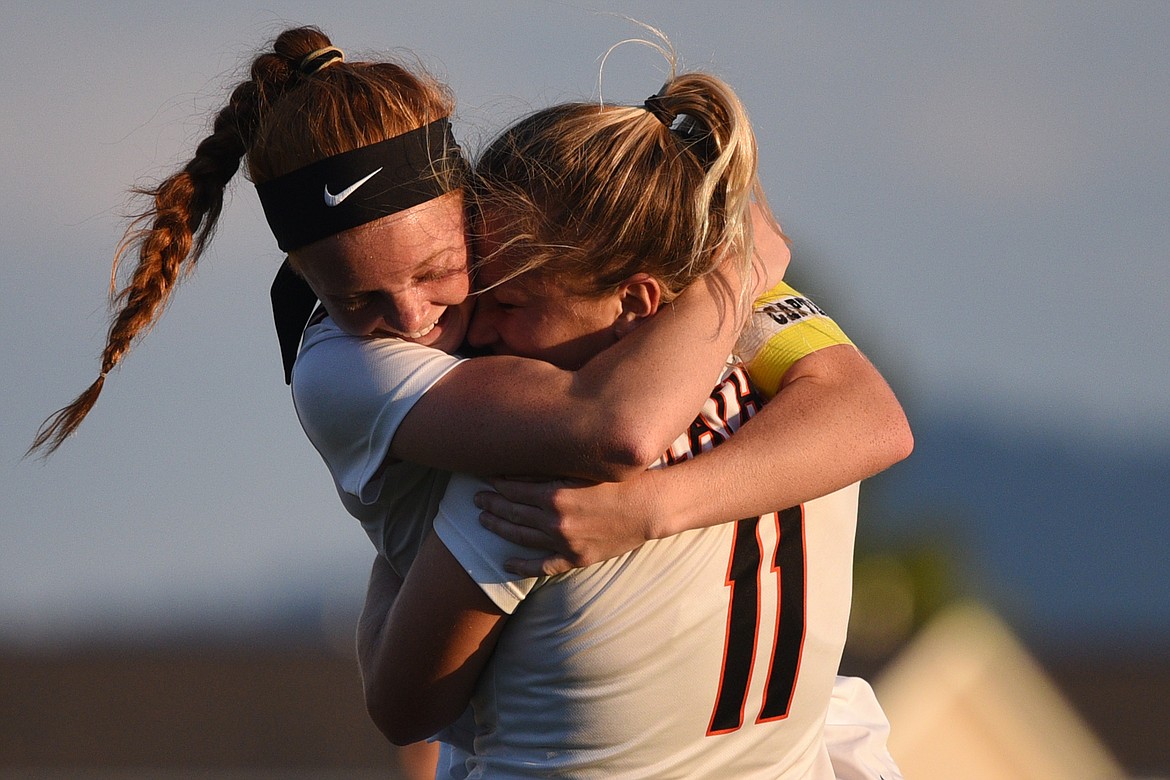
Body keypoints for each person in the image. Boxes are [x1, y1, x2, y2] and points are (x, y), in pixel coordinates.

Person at [29, 25, 910, 778]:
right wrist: (738, 260)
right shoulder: (741, 351)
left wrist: (641, 508)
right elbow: (637, 424)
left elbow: (402, 702)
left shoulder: (531, 487)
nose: (422, 324)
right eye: (355, 299)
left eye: (469, 281)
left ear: (469, 214)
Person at [355, 58, 908, 777]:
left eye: (513, 304)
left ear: (639, 302)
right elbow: (876, 419)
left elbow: (402, 706)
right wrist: (738, 271)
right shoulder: (788, 381)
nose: (475, 327)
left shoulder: (542, 476)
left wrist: (397, 506)